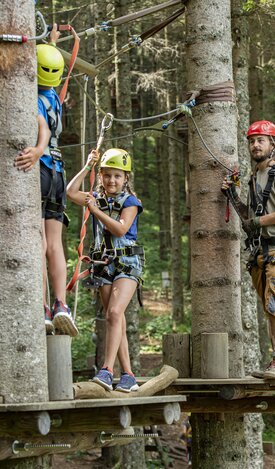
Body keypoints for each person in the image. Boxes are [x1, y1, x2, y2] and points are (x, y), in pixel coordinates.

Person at [222, 120, 275, 379]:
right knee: (270, 308)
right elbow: (251, 219)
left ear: (272, 144)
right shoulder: (254, 176)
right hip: (261, 250)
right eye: (252, 140)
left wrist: (259, 222)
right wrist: (233, 197)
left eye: (261, 140)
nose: (255, 145)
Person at [14, 27, 78, 337]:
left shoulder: (32, 96)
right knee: (55, 244)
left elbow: (39, 125)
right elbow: (48, 63)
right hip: (59, 172)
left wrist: (37, 150)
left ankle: (41, 305)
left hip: (41, 169)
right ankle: (61, 304)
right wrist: (51, 43)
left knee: (38, 242)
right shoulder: (54, 93)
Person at [67, 148, 145, 392]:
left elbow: (120, 230)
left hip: (127, 263)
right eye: (107, 175)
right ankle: (129, 375)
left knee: (114, 313)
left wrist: (96, 210)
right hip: (104, 265)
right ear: (101, 176)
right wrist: (88, 166)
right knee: (115, 318)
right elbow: (69, 192)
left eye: (117, 176)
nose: (112, 180)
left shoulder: (131, 202)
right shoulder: (95, 197)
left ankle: (107, 370)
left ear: (126, 179)